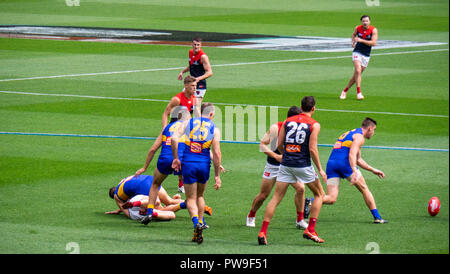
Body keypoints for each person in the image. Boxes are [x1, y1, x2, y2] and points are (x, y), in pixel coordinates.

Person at [258, 96, 327, 245]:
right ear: (313, 108)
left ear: (301, 107)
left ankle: (263, 231)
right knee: (320, 194)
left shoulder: (288, 121)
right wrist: (320, 169)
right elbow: (312, 149)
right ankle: (311, 229)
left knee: (275, 198)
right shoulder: (314, 125)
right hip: (303, 165)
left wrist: (286, 155)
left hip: (285, 164)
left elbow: (280, 143)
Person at [246, 106, 312, 230]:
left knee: (301, 189)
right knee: (264, 195)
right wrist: (276, 156)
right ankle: (251, 215)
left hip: (289, 165)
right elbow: (262, 145)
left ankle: (300, 220)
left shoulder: (301, 129)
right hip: (273, 165)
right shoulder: (276, 128)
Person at [170, 102, 222, 244]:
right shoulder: (214, 129)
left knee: (190, 199)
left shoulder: (188, 122)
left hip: (189, 164)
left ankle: (196, 223)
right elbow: (216, 153)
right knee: (200, 196)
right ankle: (200, 225)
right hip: (204, 165)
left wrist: (176, 158)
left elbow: (174, 138)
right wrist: (217, 175)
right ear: (211, 114)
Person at [323, 117, 387, 223]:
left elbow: (358, 159)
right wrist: (354, 171)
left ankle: (310, 202)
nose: (373, 133)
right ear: (370, 128)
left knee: (331, 198)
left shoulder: (350, 133)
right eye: (374, 130)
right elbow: (352, 154)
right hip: (345, 164)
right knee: (364, 188)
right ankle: (377, 217)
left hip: (331, 165)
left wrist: (373, 170)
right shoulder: (359, 137)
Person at [137, 106, 190, 193]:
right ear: (186, 116)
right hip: (180, 160)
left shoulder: (166, 128)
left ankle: (151, 206)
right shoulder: (189, 127)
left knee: (155, 185)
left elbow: (153, 150)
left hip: (165, 159)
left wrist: (144, 167)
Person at [107, 174, 184, 219]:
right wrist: (119, 210)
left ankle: (183, 205)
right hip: (148, 179)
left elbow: (126, 211)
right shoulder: (122, 181)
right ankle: (190, 203)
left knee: (160, 208)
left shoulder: (116, 196)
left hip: (142, 186)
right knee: (169, 201)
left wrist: (121, 209)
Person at [340, 15, 378, 100]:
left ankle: (345, 90)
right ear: (361, 22)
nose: (365, 22)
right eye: (363, 21)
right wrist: (352, 42)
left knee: (357, 75)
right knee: (358, 70)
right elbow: (353, 35)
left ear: (369, 21)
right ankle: (359, 92)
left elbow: (374, 43)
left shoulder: (373, 30)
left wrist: (361, 40)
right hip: (357, 52)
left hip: (366, 54)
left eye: (367, 21)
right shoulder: (358, 28)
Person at [177, 37, 213, 117]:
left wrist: (198, 79)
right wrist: (182, 72)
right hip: (190, 84)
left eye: (198, 45)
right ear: (192, 44)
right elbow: (192, 66)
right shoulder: (190, 52)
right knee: (182, 103)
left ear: (201, 45)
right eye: (194, 44)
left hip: (200, 85)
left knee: (196, 106)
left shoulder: (203, 56)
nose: (196, 46)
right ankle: (183, 123)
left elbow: (210, 72)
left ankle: (198, 127)